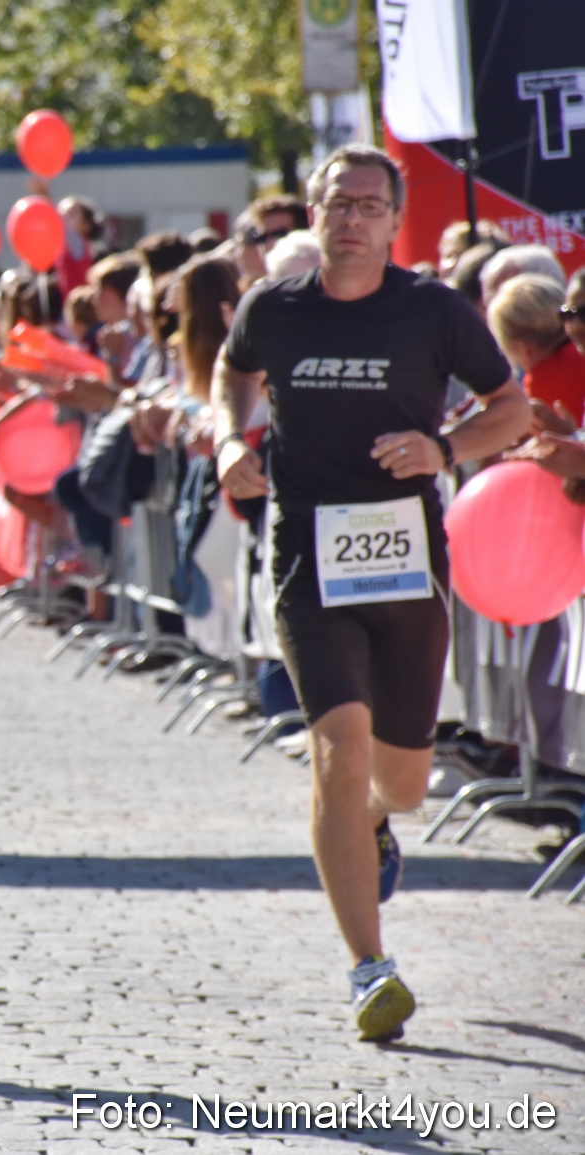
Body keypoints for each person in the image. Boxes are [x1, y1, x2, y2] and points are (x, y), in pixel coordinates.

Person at [213, 145, 529, 1043]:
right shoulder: (274, 308)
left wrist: (445, 450)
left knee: (401, 779)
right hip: (308, 556)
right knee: (336, 750)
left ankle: (379, 825)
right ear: (312, 214)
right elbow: (232, 370)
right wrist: (227, 437)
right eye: (335, 203)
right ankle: (369, 966)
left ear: (395, 221)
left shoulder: (433, 310)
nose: (349, 218)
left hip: (404, 565)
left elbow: (509, 405)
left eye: (367, 205)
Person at [487, 273, 585, 429]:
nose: (576, 325)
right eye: (568, 314)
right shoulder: (576, 354)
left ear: (523, 348)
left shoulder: (541, 380)